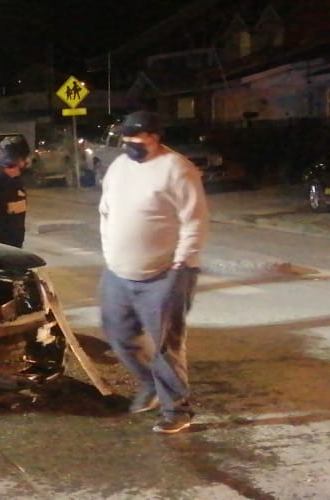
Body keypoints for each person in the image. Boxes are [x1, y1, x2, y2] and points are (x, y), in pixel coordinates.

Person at [98, 110, 209, 434]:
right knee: (117, 334)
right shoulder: (119, 167)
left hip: (165, 273)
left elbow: (195, 221)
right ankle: (151, 384)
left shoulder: (177, 169)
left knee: (166, 344)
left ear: (155, 136)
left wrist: (181, 263)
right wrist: (109, 251)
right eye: (126, 137)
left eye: (137, 137)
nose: (130, 143)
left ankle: (177, 409)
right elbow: (106, 210)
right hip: (118, 271)